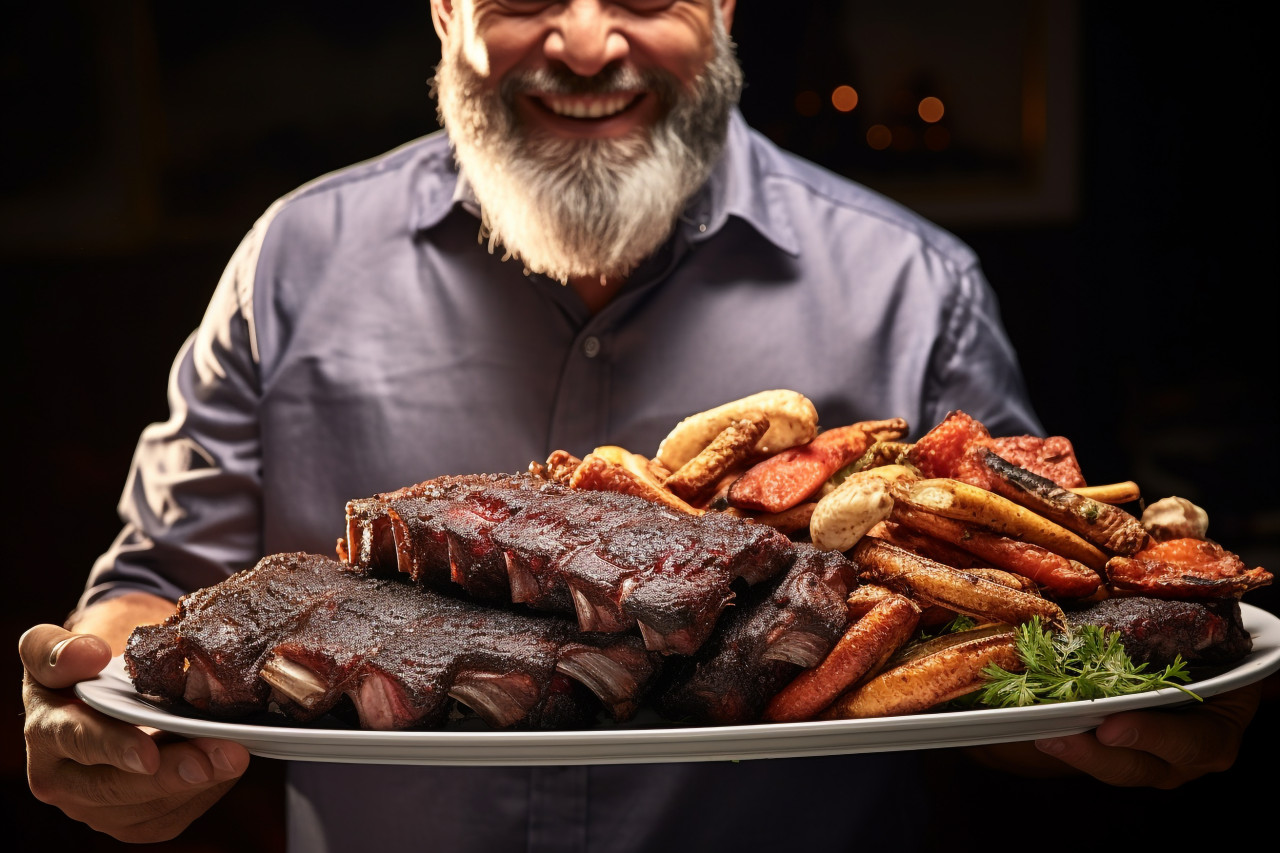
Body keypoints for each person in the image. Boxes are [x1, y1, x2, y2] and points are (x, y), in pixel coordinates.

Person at [20, 1, 1261, 850]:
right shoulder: (294, 258)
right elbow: (155, 598)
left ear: (721, 7)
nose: (582, 39)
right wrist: (100, 714)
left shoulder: (908, 283)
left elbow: (1012, 660)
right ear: (444, 11)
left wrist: (1105, 724)